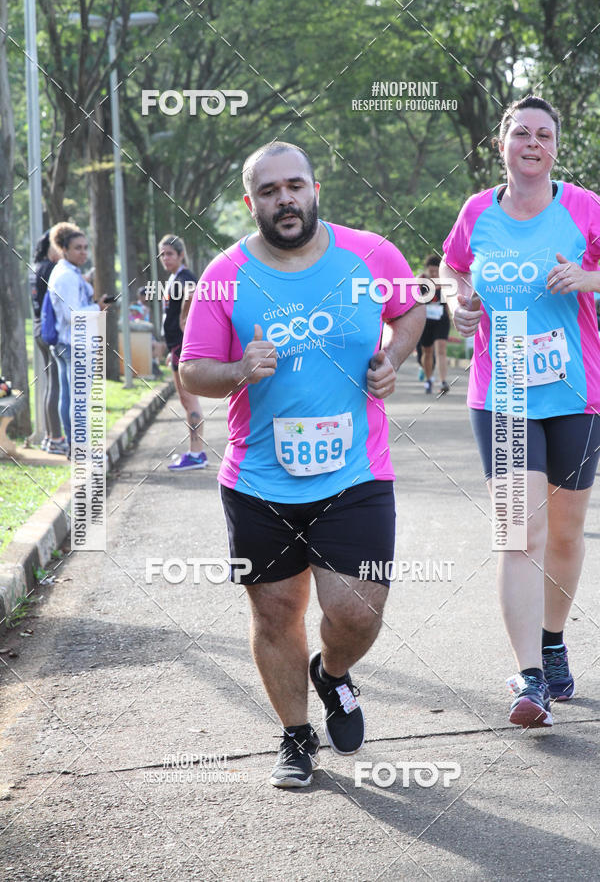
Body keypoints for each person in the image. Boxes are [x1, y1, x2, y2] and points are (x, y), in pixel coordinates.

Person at [179, 142, 425, 787]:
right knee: (274, 613)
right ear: (251, 203)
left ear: (316, 189)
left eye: (295, 186)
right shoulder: (224, 274)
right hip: (259, 478)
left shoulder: (373, 254)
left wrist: (392, 359)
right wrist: (236, 371)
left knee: (356, 612)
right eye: (269, 191)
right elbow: (191, 368)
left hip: (355, 474)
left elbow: (410, 312)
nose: (284, 199)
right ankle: (295, 737)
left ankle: (333, 674)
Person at [440, 96, 600, 729]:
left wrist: (587, 280)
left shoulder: (585, 207)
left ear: (555, 147)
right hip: (502, 393)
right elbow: (454, 269)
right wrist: (459, 302)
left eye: (544, 135)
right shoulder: (477, 210)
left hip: (575, 392)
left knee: (563, 533)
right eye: (521, 133)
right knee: (518, 533)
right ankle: (529, 677)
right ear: (501, 144)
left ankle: (554, 640)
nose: (533, 142)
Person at [48, 223, 111, 453]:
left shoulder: (70, 272)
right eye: (77, 248)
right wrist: (97, 307)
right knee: (80, 400)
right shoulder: (66, 276)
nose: (83, 252)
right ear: (64, 249)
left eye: (85, 247)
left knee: (70, 397)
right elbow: (72, 314)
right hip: (75, 344)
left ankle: (75, 444)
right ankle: (81, 447)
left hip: (71, 343)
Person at [159, 234, 208, 470]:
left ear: (180, 255)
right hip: (175, 346)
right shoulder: (173, 278)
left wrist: (183, 320)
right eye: (162, 254)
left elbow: (193, 295)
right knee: (185, 399)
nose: (165, 258)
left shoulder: (185, 277)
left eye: (169, 253)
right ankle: (195, 451)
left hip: (182, 344)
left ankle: (197, 453)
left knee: (189, 400)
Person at [29, 231, 66, 453]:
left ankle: (49, 437)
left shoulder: (34, 268)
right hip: (50, 331)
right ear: (50, 248)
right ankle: (56, 438)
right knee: (56, 386)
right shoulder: (51, 269)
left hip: (37, 329)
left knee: (50, 385)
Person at [416, 254, 450, 394]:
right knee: (427, 352)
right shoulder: (420, 280)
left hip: (441, 319)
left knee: (441, 350)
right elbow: (413, 299)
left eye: (436, 271)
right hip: (426, 320)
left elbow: (449, 301)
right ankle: (429, 379)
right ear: (427, 270)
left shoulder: (446, 280)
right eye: (431, 271)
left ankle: (443, 382)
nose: (434, 274)